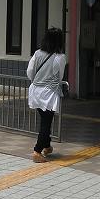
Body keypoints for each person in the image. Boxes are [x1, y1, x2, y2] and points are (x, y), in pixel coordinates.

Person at [26, 28, 67, 163]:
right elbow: (59, 76)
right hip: (49, 93)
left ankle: (47, 146)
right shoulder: (60, 57)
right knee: (46, 123)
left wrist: (37, 81)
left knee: (45, 120)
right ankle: (37, 151)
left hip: (35, 90)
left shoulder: (37, 53)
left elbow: (30, 72)